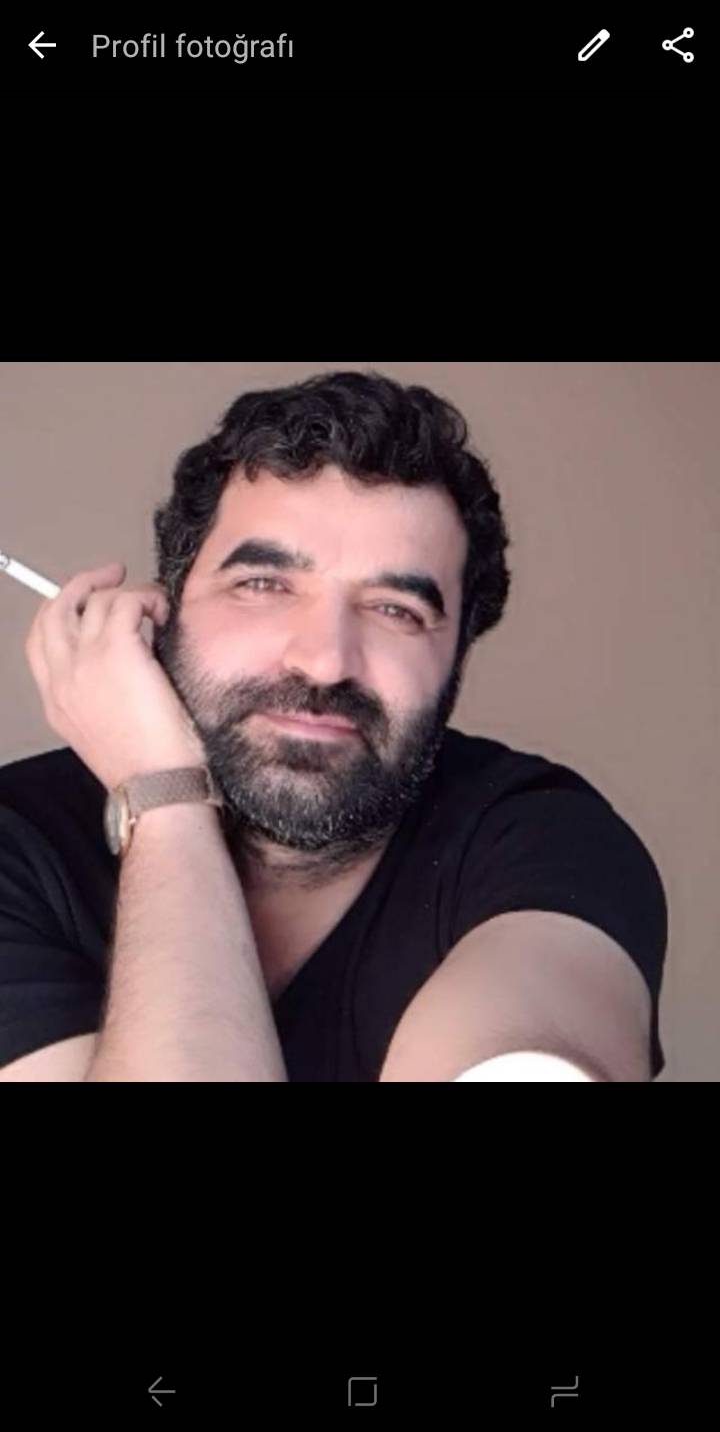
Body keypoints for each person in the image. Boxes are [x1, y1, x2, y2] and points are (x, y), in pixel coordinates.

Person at [0, 370, 667, 1081]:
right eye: (263, 585)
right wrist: (168, 799)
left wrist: (159, 794)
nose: (324, 662)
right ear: (163, 611)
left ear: (458, 653)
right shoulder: (18, 844)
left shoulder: (544, 840)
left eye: (395, 610)